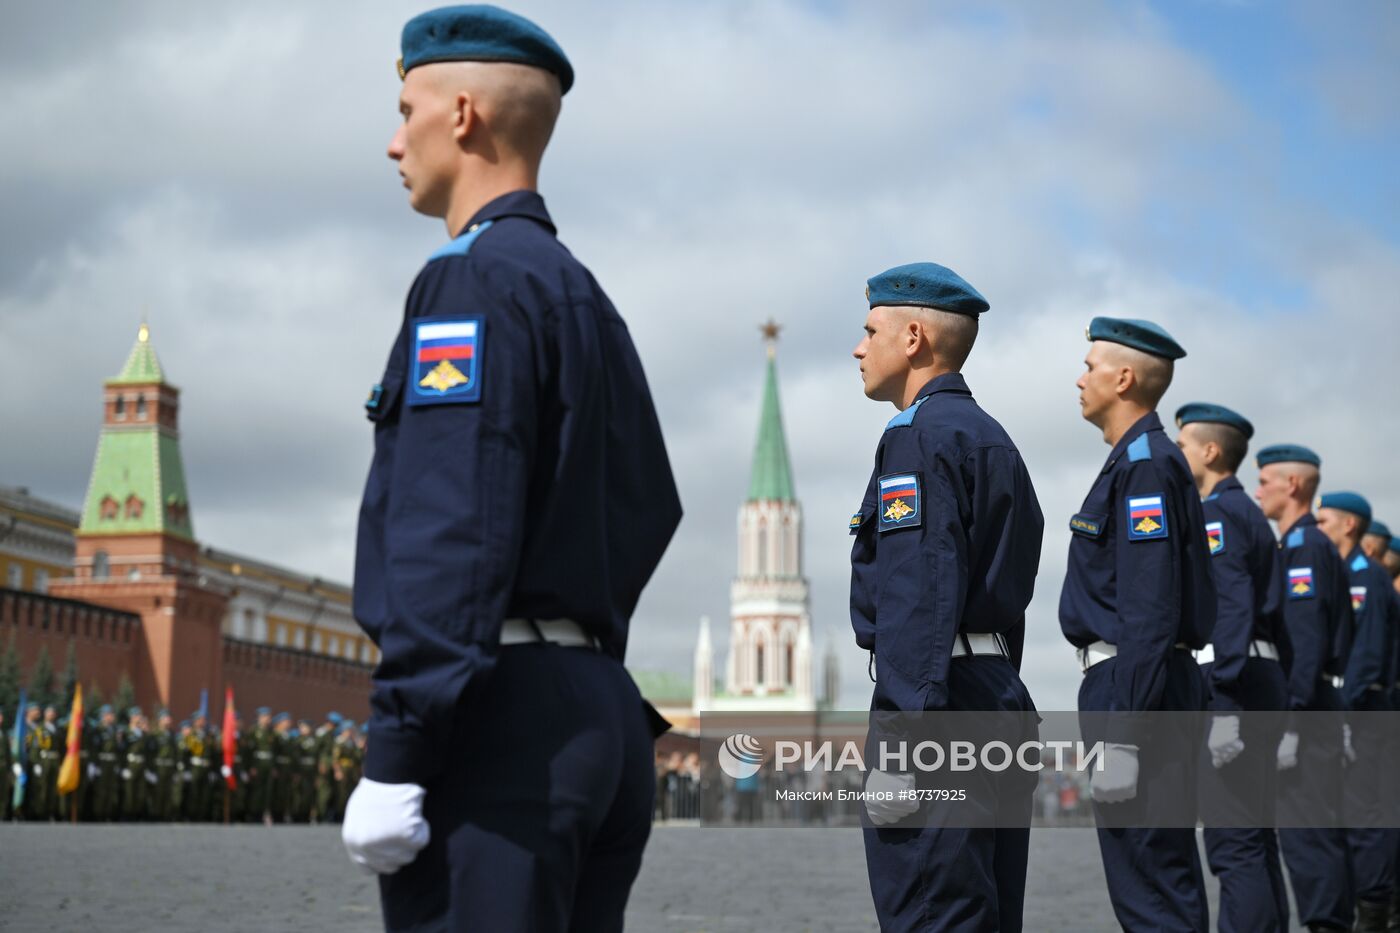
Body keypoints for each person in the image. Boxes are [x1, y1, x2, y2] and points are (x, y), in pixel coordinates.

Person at [340, 7, 682, 930]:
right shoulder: (585, 297)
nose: (390, 140)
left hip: (501, 731)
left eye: (403, 107)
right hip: (599, 713)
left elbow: (455, 523)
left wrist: (399, 748)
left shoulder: (470, 282)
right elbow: (652, 504)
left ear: (460, 115)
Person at [848, 261, 1043, 931]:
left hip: (938, 705)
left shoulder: (916, 438)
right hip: (994, 691)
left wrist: (903, 743)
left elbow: (918, 595)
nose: (857, 346)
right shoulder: (996, 439)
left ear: (912, 338)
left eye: (869, 329)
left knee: (934, 911)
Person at [1058, 317, 1216, 932]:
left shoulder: (1145, 467)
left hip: (1135, 688)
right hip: (1142, 685)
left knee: (1151, 885)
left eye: (1091, 366)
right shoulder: (1139, 461)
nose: (1080, 378)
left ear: (1123, 378)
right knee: (1155, 877)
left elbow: (1149, 611)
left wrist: (1124, 733)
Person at [1174, 403, 1291, 932]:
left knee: (1232, 842)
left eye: (1182, 444)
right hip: (1259, 678)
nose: (1176, 454)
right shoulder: (1250, 515)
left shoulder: (1218, 513)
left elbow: (1231, 606)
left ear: (1210, 451)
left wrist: (1222, 700)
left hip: (1234, 685)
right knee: (1256, 838)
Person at [1253, 444, 1354, 933]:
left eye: (1265, 480)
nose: (1258, 491)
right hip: (1315, 704)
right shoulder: (1304, 544)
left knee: (1308, 835)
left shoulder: (1304, 548)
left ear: (1292, 485)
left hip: (1307, 707)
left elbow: (1307, 637)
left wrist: (1291, 716)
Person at [1315, 492, 1398, 932]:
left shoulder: (1365, 580)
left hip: (1363, 710)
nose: (1317, 526)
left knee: (1366, 815)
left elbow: (1363, 658)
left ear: (1349, 526)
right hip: (1353, 707)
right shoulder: (1346, 574)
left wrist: (1342, 712)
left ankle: (1375, 913)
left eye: (1324, 520)